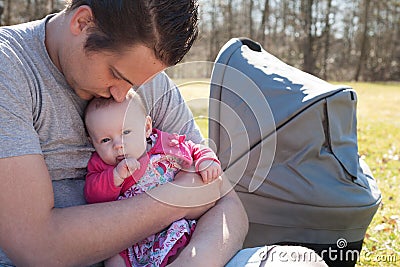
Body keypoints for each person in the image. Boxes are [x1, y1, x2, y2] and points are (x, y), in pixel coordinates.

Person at [0, 1, 248, 266]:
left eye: (134, 84)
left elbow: (228, 204)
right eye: (115, 74)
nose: (122, 95)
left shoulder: (147, 81)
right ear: (82, 23)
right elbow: (36, 247)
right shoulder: (10, 68)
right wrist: (178, 200)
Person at [83, 91, 222, 267]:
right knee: (113, 258)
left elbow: (193, 149)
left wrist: (206, 160)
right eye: (105, 140)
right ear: (92, 142)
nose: (118, 145)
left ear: (147, 127)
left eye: (126, 132)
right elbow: (92, 194)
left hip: (172, 225)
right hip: (130, 237)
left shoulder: (165, 144)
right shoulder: (102, 166)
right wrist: (115, 177)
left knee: (187, 244)